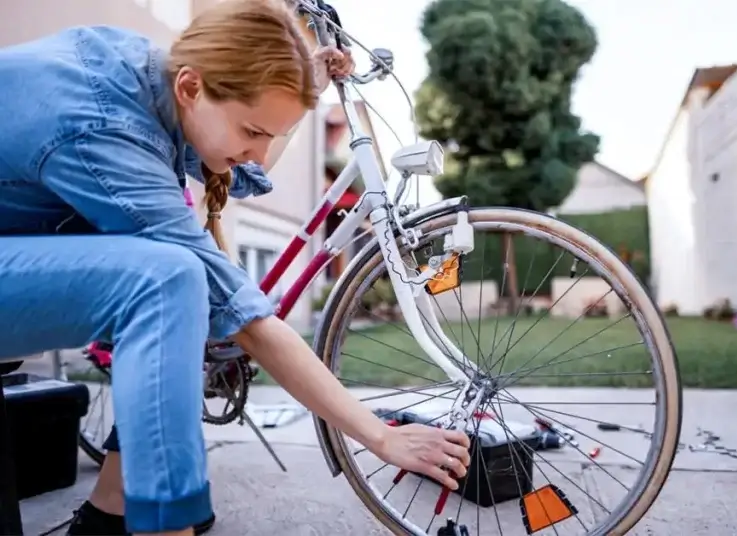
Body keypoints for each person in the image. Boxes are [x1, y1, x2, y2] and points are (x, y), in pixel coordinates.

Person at [0, 1, 471, 535]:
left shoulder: (152, 75)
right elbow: (248, 318)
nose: (259, 152)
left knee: (174, 282)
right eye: (254, 130)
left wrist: (299, 86)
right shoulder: (104, 125)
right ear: (191, 87)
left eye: (269, 133)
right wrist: (380, 436)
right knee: (168, 280)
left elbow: (237, 153)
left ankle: (112, 510)